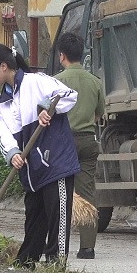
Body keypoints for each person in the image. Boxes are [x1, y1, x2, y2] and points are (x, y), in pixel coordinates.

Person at [0, 44, 79, 266]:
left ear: (3, 66)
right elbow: (4, 133)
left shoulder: (37, 81)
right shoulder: (1, 103)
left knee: (57, 216)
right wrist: (13, 153)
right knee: (34, 216)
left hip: (55, 161)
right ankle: (26, 262)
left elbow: (69, 95)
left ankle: (56, 263)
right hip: (31, 169)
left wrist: (47, 108)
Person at [53, 32, 106, 259]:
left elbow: (48, 113)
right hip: (87, 141)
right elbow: (99, 113)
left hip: (63, 142)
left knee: (59, 193)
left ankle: (58, 244)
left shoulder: (56, 81)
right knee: (86, 193)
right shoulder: (95, 82)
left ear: (61, 55)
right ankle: (87, 247)